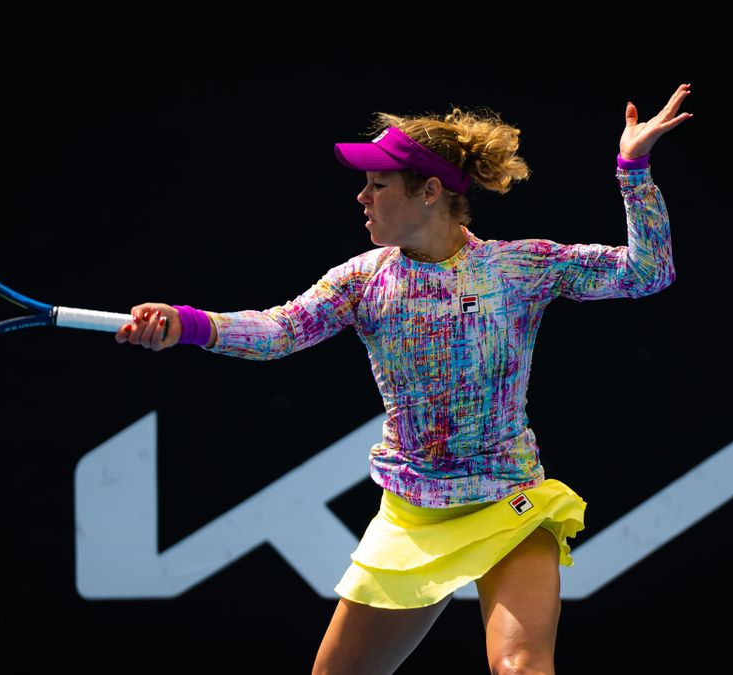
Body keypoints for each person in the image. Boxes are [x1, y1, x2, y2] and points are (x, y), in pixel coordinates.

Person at [114, 83, 692, 675]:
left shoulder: (518, 268)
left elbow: (647, 272)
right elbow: (278, 331)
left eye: (378, 184)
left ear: (430, 192)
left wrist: (633, 169)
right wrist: (188, 325)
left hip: (510, 502)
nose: (361, 196)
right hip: (413, 513)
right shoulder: (362, 280)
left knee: (519, 667)